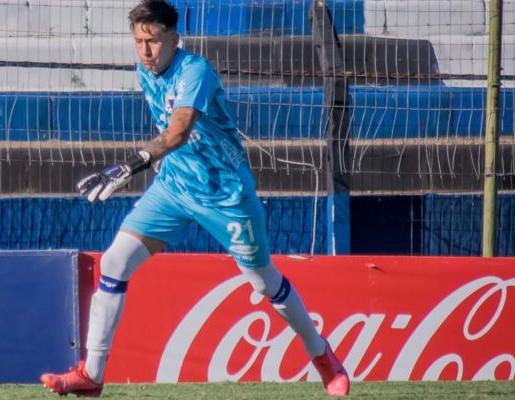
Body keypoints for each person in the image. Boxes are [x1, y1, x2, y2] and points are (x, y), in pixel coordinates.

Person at [40, 0, 350, 397]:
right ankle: (92, 375)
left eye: (153, 41)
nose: (145, 50)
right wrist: (153, 167)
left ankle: (324, 359)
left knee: (264, 281)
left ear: (174, 39)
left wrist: (133, 163)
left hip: (225, 195)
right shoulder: (144, 69)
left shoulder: (195, 71)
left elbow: (180, 130)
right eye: (138, 41)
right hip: (173, 188)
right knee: (115, 262)